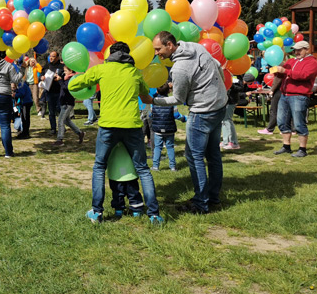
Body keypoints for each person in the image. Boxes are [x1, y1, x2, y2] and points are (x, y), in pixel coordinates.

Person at [68, 42, 162, 224]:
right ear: (128, 55)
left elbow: (76, 85)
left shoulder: (101, 70)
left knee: (99, 167)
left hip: (108, 125)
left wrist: (78, 78)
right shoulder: (135, 72)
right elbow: (146, 97)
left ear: (110, 54)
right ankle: (154, 214)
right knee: (143, 169)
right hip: (132, 126)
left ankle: (97, 212)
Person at [152, 31, 227, 214]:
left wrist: (153, 100)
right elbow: (218, 66)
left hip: (202, 112)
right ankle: (213, 198)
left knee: (194, 157)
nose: (156, 53)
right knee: (213, 155)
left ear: (170, 45)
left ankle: (201, 203)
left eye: (158, 49)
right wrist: (219, 90)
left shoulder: (179, 68)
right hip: (219, 106)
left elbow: (177, 99)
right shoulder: (196, 47)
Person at [272, 40, 317, 157]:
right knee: (282, 122)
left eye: (299, 50)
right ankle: (286, 146)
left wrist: (285, 71)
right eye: (295, 50)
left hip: (299, 96)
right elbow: (283, 74)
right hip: (285, 95)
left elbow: (304, 75)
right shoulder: (291, 61)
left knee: (298, 123)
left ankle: (302, 149)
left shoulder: (312, 62)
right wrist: (277, 71)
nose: (296, 52)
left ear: (307, 50)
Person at [55, 66, 85, 146]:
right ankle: (80, 133)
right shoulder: (66, 78)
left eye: (65, 71)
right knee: (66, 120)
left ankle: (60, 139)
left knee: (61, 120)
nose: (64, 72)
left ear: (70, 71)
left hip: (67, 103)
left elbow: (66, 88)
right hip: (64, 102)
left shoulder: (71, 79)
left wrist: (60, 81)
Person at [150, 83, 177, 171]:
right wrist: (184, 118)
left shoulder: (154, 101)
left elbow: (151, 114)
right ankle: (172, 167)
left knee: (157, 147)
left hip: (158, 129)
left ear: (157, 91)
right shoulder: (172, 101)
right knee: (170, 147)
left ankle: (155, 166)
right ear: (169, 91)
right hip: (170, 129)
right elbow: (176, 115)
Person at [42, 51, 64, 136]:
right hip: (50, 92)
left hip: (59, 92)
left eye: (53, 56)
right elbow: (41, 75)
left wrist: (59, 77)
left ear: (57, 57)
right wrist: (42, 77)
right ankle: (53, 129)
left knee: (60, 110)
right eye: (50, 56)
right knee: (51, 112)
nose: (51, 58)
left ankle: (62, 127)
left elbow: (65, 76)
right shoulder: (47, 66)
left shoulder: (62, 66)